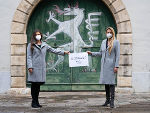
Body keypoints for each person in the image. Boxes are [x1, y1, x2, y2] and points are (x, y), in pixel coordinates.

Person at [27, 30, 69, 108]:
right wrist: (30, 66)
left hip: (41, 68)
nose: (38, 36)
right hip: (34, 68)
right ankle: (34, 102)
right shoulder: (31, 45)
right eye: (36, 35)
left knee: (38, 86)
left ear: (41, 35)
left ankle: (37, 102)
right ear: (34, 36)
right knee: (34, 85)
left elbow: (54, 50)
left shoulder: (44, 45)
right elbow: (29, 57)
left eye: (39, 34)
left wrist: (64, 52)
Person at [87, 27, 120, 108]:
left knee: (111, 83)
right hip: (104, 65)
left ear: (112, 33)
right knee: (106, 82)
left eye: (110, 32)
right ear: (106, 33)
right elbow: (100, 53)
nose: (108, 34)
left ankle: (112, 101)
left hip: (111, 66)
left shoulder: (116, 42)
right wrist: (91, 53)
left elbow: (118, 55)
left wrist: (116, 66)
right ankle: (107, 100)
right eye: (107, 32)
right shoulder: (103, 42)